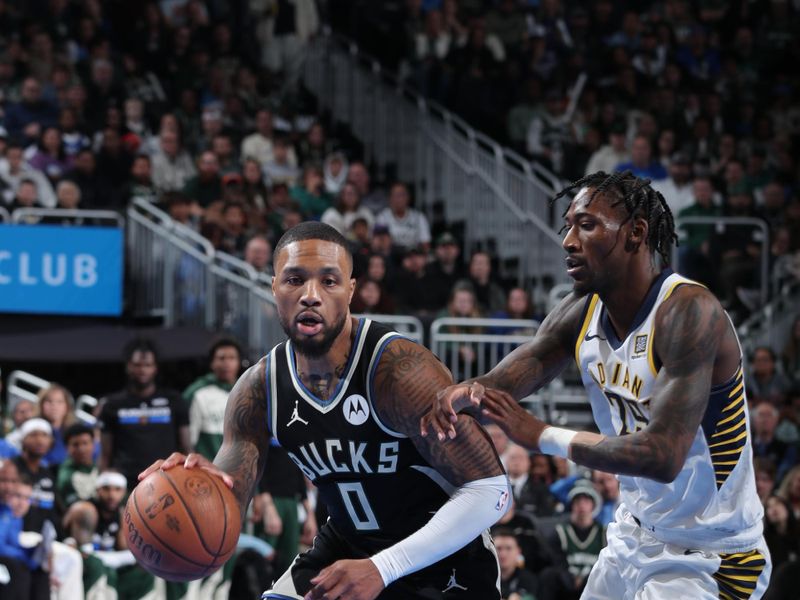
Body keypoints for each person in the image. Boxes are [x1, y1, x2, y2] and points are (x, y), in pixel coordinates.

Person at [425, 170, 772, 598]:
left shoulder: (689, 312)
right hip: (634, 535)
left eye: (586, 225)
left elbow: (662, 455)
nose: (568, 240)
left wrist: (540, 434)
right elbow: (514, 374)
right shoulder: (582, 310)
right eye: (568, 225)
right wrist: (463, 392)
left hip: (710, 554)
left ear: (635, 233)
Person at [140, 222, 509, 600]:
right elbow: (230, 497)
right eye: (294, 280)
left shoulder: (398, 370)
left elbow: (492, 490)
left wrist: (385, 567)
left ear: (350, 291)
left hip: (442, 559)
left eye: (329, 281)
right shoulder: (258, 389)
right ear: (273, 288)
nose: (310, 295)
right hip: (348, 547)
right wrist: (197, 488)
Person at [97, 339, 190, 492]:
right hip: (125, 486)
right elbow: (105, 453)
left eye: (147, 365)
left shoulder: (174, 401)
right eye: (137, 365)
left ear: (155, 368)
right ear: (128, 366)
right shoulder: (112, 405)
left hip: (166, 481)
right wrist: (101, 482)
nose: (142, 370)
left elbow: (186, 447)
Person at [183, 337, 242, 461]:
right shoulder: (198, 393)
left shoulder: (247, 392)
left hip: (239, 469)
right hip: (208, 470)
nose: (227, 363)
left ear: (239, 362)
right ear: (212, 363)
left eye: (232, 358)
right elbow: (189, 442)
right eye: (221, 358)